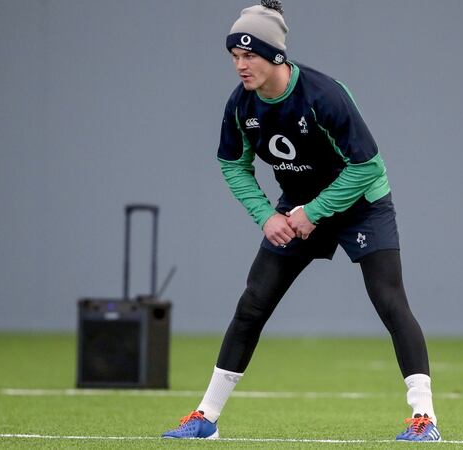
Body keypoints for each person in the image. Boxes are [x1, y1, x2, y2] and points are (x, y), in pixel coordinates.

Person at [163, 0, 441, 442]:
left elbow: (367, 166)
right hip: (295, 208)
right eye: (234, 56)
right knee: (252, 303)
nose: (240, 65)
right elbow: (233, 165)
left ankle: (424, 419)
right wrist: (265, 216)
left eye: (249, 55)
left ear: (276, 55)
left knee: (390, 301)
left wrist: (314, 212)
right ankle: (205, 418)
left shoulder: (323, 96)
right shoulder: (241, 106)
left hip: (360, 203)